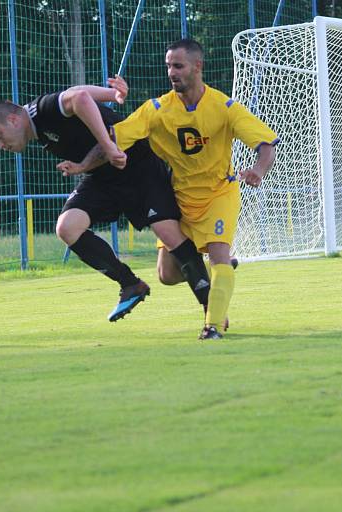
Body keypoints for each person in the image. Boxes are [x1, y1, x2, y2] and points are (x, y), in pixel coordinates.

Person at [0, 76, 212, 322]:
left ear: (13, 120)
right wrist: (111, 95)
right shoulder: (37, 126)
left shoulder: (43, 110)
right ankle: (131, 284)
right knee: (67, 228)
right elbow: (77, 91)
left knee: (168, 244)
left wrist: (109, 146)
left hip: (139, 168)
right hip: (102, 178)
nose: (0, 145)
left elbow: (79, 98)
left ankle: (212, 310)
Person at [109, 38, 279, 339]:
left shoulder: (225, 107)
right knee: (167, 275)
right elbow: (114, 137)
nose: (172, 72)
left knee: (218, 255)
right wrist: (82, 162)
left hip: (219, 193)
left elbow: (266, 145)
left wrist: (258, 170)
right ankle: (220, 276)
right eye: (168, 66)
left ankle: (212, 326)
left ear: (197, 66)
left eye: (178, 65)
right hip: (180, 198)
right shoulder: (157, 110)